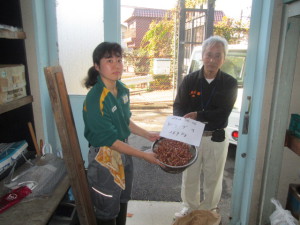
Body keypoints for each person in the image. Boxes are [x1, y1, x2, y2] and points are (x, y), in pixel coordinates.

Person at [82, 42, 161, 225]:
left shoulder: (122, 89)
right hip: (104, 156)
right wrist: (143, 155)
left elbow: (124, 120)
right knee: (106, 208)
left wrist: (147, 134)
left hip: (123, 149)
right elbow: (110, 140)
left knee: (122, 198)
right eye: (109, 60)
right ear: (97, 66)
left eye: (119, 60)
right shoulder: (95, 99)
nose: (116, 65)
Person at [173, 36, 238, 217]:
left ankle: (209, 210)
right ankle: (190, 207)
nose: (212, 60)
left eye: (218, 56)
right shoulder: (190, 80)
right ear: (202, 56)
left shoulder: (230, 83)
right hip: (191, 137)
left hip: (215, 136)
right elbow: (178, 106)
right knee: (190, 175)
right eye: (209, 55)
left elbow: (222, 113)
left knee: (213, 177)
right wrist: (180, 122)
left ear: (223, 59)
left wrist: (198, 115)